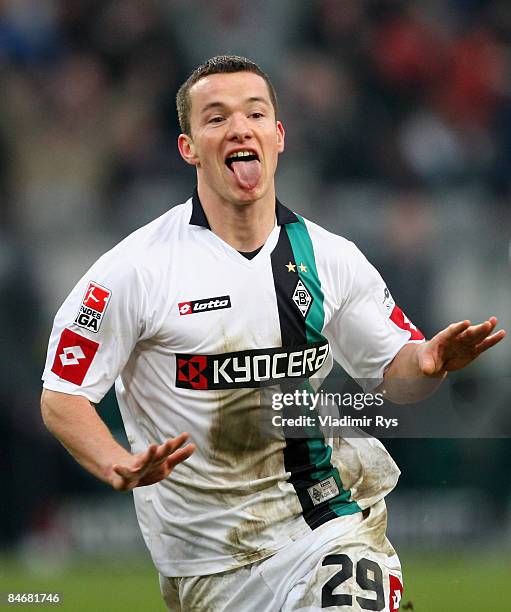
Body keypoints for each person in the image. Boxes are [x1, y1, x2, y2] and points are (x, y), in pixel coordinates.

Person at [41, 55, 505, 611]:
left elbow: (394, 376)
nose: (239, 127)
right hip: (204, 563)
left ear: (277, 136)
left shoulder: (331, 258)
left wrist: (426, 363)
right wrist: (115, 462)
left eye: (255, 113)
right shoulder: (134, 270)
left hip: (325, 522)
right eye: (216, 118)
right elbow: (63, 396)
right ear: (188, 147)